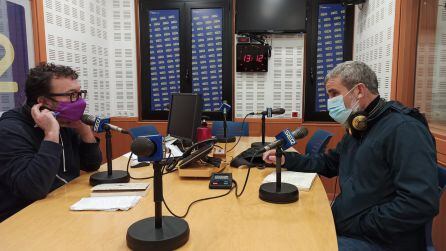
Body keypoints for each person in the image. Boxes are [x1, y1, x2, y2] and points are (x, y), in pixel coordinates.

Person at [263, 61, 440, 251]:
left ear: (359, 91)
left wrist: (358, 224)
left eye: (334, 94)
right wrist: (287, 159)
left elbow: (419, 203)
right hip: (352, 226)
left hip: (380, 240)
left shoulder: (405, 129)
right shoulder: (360, 125)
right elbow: (330, 163)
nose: (330, 102)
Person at [0, 63, 102, 222]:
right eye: (72, 94)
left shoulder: (63, 120)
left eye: (79, 93)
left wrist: (83, 129)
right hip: (22, 219)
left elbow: (91, 164)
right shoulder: (10, 130)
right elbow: (33, 189)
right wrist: (51, 133)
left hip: (63, 205)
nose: (79, 101)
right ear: (44, 101)